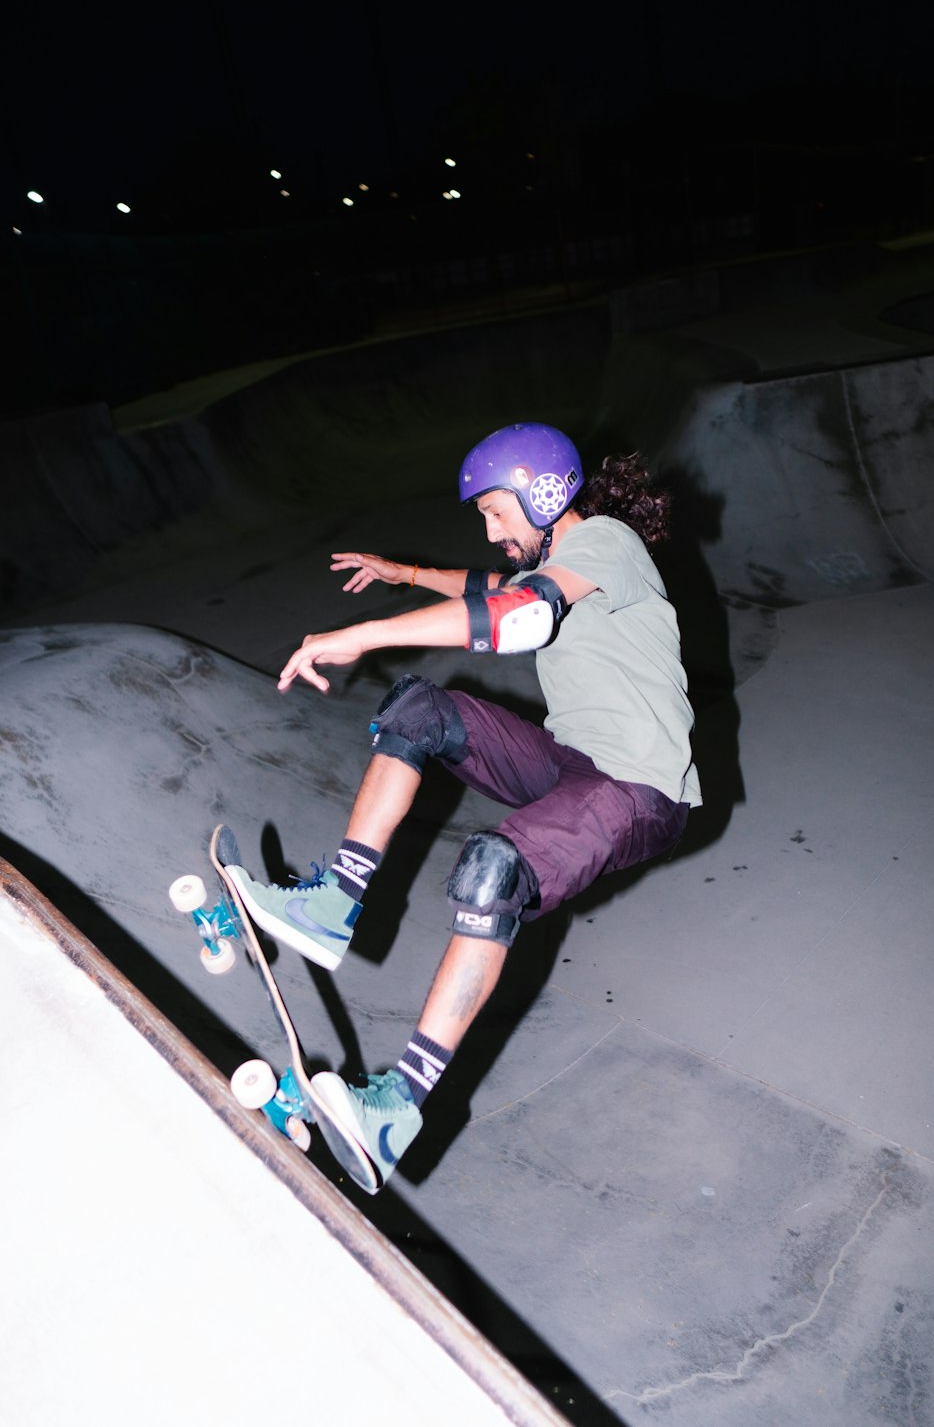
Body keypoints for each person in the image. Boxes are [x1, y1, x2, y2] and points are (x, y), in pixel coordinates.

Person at [224, 422, 701, 1193]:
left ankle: (398, 1108)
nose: (489, 529)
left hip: (642, 789)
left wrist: (367, 634)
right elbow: (482, 588)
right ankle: (330, 906)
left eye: (495, 513)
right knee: (418, 709)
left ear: (542, 494)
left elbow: (523, 615)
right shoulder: (556, 555)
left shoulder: (606, 543)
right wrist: (402, 572)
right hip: (570, 769)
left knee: (492, 871)